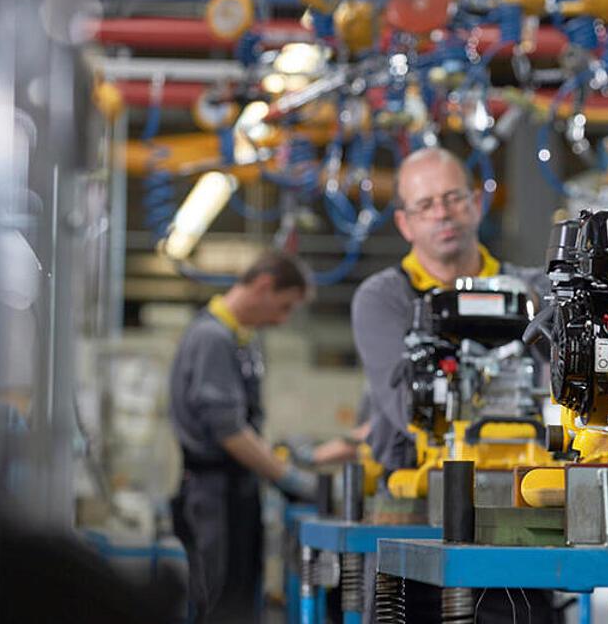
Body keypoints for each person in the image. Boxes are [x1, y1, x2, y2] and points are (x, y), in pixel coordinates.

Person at [318, 147, 554, 623]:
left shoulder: (534, 292)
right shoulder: (385, 297)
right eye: (425, 205)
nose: (442, 213)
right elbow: (405, 408)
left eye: (452, 198)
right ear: (405, 224)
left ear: (477, 203)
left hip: (519, 511)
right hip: (413, 514)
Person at [168, 251, 320, 622]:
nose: (282, 320)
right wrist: (288, 478)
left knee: (239, 601)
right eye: (283, 307)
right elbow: (230, 432)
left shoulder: (242, 339)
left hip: (236, 490)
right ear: (264, 286)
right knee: (220, 604)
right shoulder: (212, 337)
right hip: (212, 493)